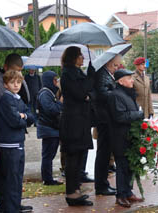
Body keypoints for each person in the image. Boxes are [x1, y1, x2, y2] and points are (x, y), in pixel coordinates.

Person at [0, 53, 33, 213]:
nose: (16, 82)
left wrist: (23, 115)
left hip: (14, 140)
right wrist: (21, 116)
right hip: (3, 138)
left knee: (15, 177)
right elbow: (14, 118)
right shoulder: (3, 93)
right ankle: (8, 206)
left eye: (19, 76)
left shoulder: (14, 94)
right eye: (13, 78)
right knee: (7, 177)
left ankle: (13, 205)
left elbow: (29, 114)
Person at [59, 46, 94, 206]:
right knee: (73, 158)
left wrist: (87, 93)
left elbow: (87, 94)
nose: (83, 58)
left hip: (81, 121)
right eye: (80, 56)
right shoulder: (67, 74)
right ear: (73, 57)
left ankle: (76, 190)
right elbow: (80, 93)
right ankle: (71, 193)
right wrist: (89, 81)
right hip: (73, 122)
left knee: (80, 156)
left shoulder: (78, 73)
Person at [108, 69, 145, 208]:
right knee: (122, 167)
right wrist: (138, 114)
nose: (132, 80)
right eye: (129, 78)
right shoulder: (116, 95)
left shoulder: (127, 94)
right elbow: (120, 117)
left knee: (130, 166)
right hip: (120, 137)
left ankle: (128, 192)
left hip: (130, 136)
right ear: (121, 81)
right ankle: (121, 196)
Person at [93, 54, 121, 196]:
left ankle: (103, 183)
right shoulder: (102, 74)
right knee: (103, 153)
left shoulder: (106, 74)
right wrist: (117, 93)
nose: (116, 68)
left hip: (106, 118)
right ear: (109, 62)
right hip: (104, 119)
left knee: (105, 153)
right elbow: (103, 94)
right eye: (115, 65)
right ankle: (101, 185)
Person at [37, 71, 63, 185]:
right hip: (48, 129)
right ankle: (47, 179)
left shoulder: (49, 93)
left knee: (49, 155)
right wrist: (60, 103)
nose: (56, 82)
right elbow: (51, 110)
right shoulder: (45, 93)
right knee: (48, 155)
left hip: (51, 128)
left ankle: (48, 177)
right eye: (54, 79)